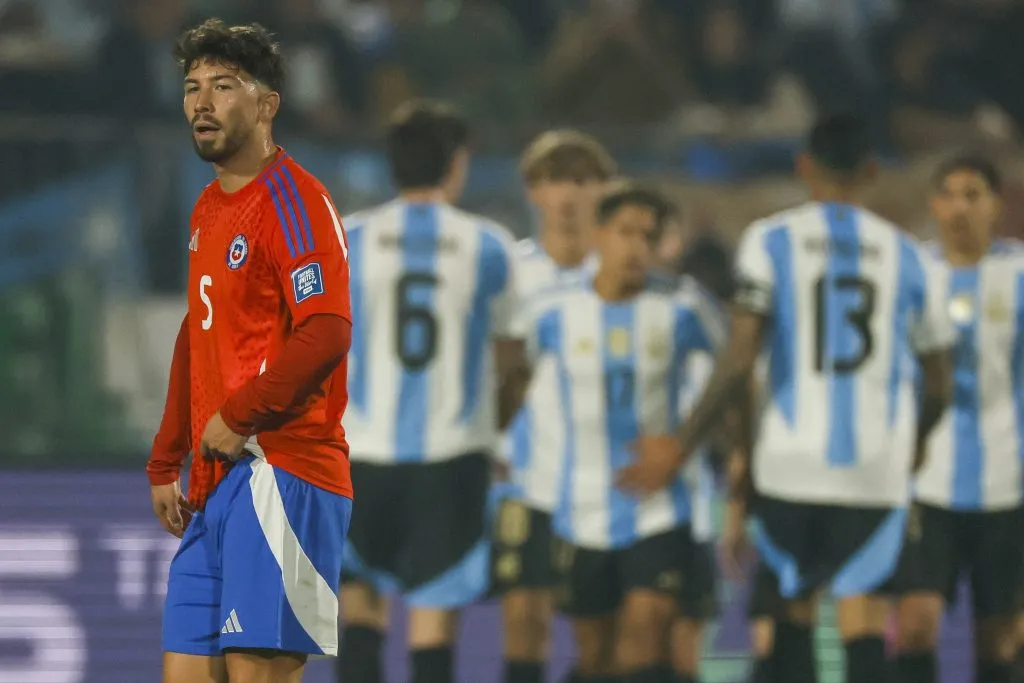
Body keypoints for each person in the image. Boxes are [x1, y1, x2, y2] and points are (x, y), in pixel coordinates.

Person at [618, 112, 956, 683]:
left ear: (804, 167)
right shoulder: (910, 256)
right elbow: (941, 384)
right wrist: (917, 442)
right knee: (864, 621)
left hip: (790, 466)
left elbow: (738, 364)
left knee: (790, 616)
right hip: (876, 467)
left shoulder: (769, 241)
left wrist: (696, 446)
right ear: (871, 172)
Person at [146, 19, 354, 683]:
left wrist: (239, 415)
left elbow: (326, 329)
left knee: (256, 674)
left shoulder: (295, 200)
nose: (201, 102)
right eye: (191, 87)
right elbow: (197, 331)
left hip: (282, 467)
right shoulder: (208, 206)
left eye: (223, 85)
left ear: (266, 105)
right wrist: (166, 454)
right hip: (215, 481)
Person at [337, 99, 522, 683]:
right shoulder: (489, 245)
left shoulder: (346, 238)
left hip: (359, 452)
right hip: (451, 456)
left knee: (359, 608)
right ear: (457, 164)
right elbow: (514, 361)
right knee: (433, 623)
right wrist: (493, 432)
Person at [522, 182, 726, 683]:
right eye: (625, 232)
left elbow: (734, 377)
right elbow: (510, 382)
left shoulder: (684, 305)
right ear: (598, 236)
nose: (636, 246)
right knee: (597, 660)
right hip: (579, 508)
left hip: (659, 509)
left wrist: (688, 445)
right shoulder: (552, 310)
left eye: (648, 236)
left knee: (644, 639)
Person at [491, 129, 616, 683]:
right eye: (555, 181)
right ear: (533, 192)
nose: (569, 197)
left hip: (606, 479)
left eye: (584, 182)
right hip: (526, 479)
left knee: (600, 637)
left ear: (606, 191)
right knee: (524, 620)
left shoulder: (620, 276)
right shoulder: (509, 275)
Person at [894, 154, 1024, 683]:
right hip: (928, 481)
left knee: (999, 642)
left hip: (1008, 482)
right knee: (916, 625)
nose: (959, 207)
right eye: (948, 194)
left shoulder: (1018, 272)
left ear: (996, 204)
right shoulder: (912, 277)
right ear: (933, 204)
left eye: (973, 195)